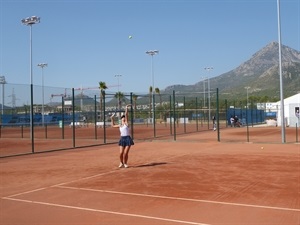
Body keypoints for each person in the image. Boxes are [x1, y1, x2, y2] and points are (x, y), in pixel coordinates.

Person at [110, 104, 134, 168]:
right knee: (121, 153)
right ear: (121, 119)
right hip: (122, 139)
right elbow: (112, 125)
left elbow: (126, 115)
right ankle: (121, 162)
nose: (123, 118)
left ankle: (125, 163)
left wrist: (126, 108)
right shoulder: (120, 125)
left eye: (124, 118)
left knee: (125, 153)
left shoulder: (126, 124)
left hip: (128, 139)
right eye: (122, 118)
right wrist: (112, 118)